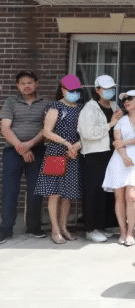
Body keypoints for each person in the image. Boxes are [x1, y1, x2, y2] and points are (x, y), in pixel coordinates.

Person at [0, 70, 50, 243]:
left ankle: (34, 227)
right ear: (17, 86)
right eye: (22, 83)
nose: (26, 85)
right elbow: (5, 127)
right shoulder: (10, 102)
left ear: (36, 83)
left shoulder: (46, 104)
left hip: (37, 150)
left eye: (30, 82)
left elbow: (46, 129)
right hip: (12, 151)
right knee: (10, 191)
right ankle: (6, 229)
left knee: (36, 190)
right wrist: (21, 147)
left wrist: (29, 145)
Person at [34, 74, 84, 244]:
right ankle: (55, 229)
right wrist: (66, 143)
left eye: (77, 90)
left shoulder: (81, 108)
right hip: (56, 153)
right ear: (62, 89)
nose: (74, 93)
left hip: (73, 154)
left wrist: (76, 145)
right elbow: (47, 131)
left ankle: (64, 227)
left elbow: (85, 132)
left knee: (67, 194)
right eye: (71, 90)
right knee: (54, 193)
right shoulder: (55, 106)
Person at [103, 90, 135, 246]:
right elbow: (116, 140)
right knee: (119, 196)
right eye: (124, 100)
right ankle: (122, 232)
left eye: (130, 99)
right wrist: (124, 155)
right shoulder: (120, 120)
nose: (126, 102)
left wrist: (124, 142)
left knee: (132, 196)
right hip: (119, 159)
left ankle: (131, 232)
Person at [77, 75, 123, 243]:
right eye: (105, 89)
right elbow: (88, 133)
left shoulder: (113, 105)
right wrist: (110, 124)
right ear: (97, 90)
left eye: (112, 88)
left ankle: (104, 225)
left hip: (111, 153)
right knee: (93, 190)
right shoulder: (89, 108)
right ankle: (91, 228)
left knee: (108, 190)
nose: (109, 92)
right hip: (94, 154)